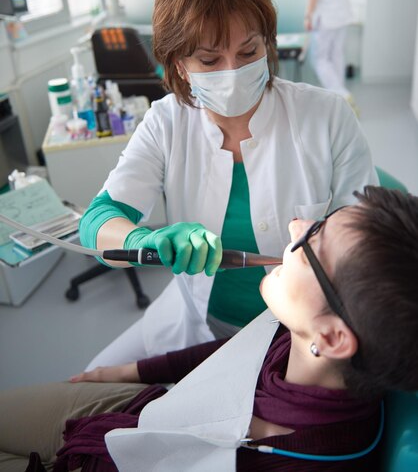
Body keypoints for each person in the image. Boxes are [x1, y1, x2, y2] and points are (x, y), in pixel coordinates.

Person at [79, 0, 378, 370]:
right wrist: (141, 242)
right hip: (195, 325)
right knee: (87, 385)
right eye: (209, 60)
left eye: (248, 50)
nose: (232, 70)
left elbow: (366, 241)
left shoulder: (325, 117)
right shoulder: (166, 122)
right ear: (179, 65)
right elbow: (96, 222)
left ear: (267, 42)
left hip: (298, 337)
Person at [1, 186, 418, 472]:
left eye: (313, 241)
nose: (294, 225)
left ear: (330, 337)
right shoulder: (307, 337)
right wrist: (127, 372)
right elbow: (233, 353)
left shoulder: (289, 458)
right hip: (147, 409)